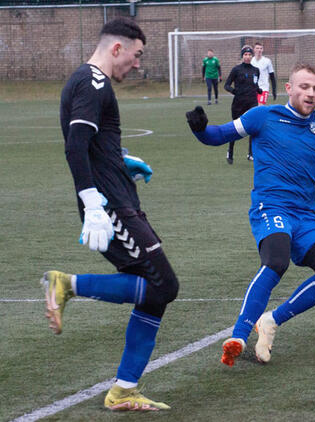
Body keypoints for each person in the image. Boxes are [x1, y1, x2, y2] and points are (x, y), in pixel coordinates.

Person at [186, 64, 315, 366]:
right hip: (271, 207)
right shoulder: (262, 116)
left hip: (306, 215)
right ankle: (239, 335)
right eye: (304, 87)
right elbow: (217, 136)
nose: (310, 94)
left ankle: (271, 320)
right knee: (276, 261)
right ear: (289, 87)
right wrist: (200, 128)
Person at [47, 17, 178, 411]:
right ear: (116, 48)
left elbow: (95, 143)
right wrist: (93, 205)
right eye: (136, 56)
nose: (137, 65)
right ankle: (67, 284)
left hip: (119, 197)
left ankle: (123, 390)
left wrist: (123, 160)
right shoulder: (93, 82)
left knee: (152, 294)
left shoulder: (92, 84)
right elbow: (75, 145)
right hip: (110, 205)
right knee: (163, 286)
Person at [223, 45, 261, 163]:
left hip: (252, 103)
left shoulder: (256, 70)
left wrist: (258, 90)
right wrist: (234, 91)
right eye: (245, 55)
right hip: (238, 104)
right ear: (242, 56)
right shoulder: (236, 69)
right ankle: (230, 152)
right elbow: (226, 85)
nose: (248, 57)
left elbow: (254, 85)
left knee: (253, 127)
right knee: (235, 128)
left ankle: (250, 153)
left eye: (250, 55)